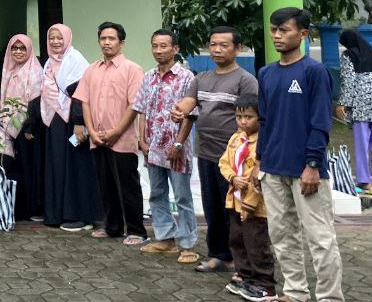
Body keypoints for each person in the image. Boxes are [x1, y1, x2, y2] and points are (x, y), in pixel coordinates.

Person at [256, 7, 344, 302]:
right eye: (274, 30)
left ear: (303, 34)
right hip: (273, 166)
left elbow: (321, 122)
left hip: (306, 169)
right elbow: (264, 122)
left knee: (320, 236)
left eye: (284, 30)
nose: (277, 35)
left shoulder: (314, 72)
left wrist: (312, 164)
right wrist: (259, 162)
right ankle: (294, 293)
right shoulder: (266, 73)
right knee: (281, 233)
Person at [171, 26, 259, 274]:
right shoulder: (202, 78)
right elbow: (189, 102)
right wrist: (180, 110)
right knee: (212, 208)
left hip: (235, 159)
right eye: (213, 44)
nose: (217, 49)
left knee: (233, 208)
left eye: (224, 45)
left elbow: (253, 119)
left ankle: (240, 259)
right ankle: (218, 255)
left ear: (237, 48)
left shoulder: (245, 80)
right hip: (207, 153)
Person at [73, 22, 147, 246]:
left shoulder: (132, 69)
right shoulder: (92, 69)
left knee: (127, 186)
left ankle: (136, 230)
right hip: (97, 138)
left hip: (121, 139)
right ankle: (113, 227)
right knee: (105, 186)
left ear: (121, 42)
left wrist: (116, 132)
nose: (107, 42)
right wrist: (92, 131)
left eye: (112, 39)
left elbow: (135, 105)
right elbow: (84, 101)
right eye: (103, 38)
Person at [133, 29, 198, 264]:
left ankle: (187, 244)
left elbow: (191, 115)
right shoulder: (148, 76)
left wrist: (179, 143)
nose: (158, 50)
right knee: (157, 194)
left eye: (164, 46)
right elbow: (142, 110)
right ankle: (165, 239)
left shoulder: (187, 78)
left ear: (175, 49)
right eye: (155, 46)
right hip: (153, 149)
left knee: (182, 197)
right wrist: (141, 140)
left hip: (177, 150)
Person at [39, 24, 102, 233]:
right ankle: (57, 213)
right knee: (58, 165)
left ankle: (79, 215)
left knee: (75, 167)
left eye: (59, 38)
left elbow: (81, 94)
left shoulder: (75, 60)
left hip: (73, 122)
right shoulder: (49, 62)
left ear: (68, 39)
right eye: (52, 38)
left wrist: (79, 123)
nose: (55, 42)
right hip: (55, 120)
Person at [217, 94, 276, 302]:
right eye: (239, 117)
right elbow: (224, 162)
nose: (243, 122)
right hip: (234, 199)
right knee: (237, 240)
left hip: (255, 206)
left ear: (260, 118)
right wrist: (232, 178)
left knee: (256, 243)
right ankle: (245, 276)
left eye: (249, 117)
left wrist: (249, 204)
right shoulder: (236, 139)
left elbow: (258, 178)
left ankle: (265, 284)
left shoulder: (262, 144)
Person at [0, 34, 44, 221]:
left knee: (31, 168)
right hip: (11, 129)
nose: (18, 52)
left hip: (29, 130)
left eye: (22, 48)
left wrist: (28, 127)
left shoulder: (35, 72)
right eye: (14, 48)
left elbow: (37, 103)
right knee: (18, 167)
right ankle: (21, 208)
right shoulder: (9, 70)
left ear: (29, 50)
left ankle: (36, 208)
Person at [336, 28, 372, 194]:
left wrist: (342, 103)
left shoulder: (349, 56)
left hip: (362, 102)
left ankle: (364, 181)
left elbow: (348, 81)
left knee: (362, 142)